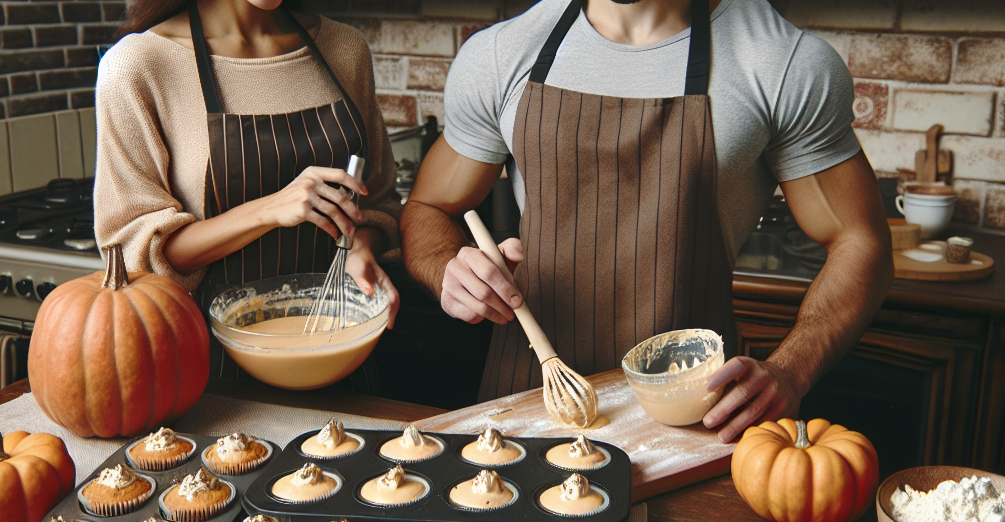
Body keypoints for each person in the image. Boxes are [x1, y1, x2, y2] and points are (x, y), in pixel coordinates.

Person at [400, 0, 892, 442]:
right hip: (527, 402)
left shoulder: (782, 62)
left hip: (696, 414)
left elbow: (860, 238)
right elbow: (428, 208)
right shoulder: (500, 55)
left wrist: (791, 371)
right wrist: (449, 269)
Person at [94, 0, 402, 380]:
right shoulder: (138, 65)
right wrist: (270, 209)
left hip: (345, 353)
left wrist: (361, 248)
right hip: (220, 376)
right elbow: (134, 255)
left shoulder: (344, 48)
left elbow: (378, 200)